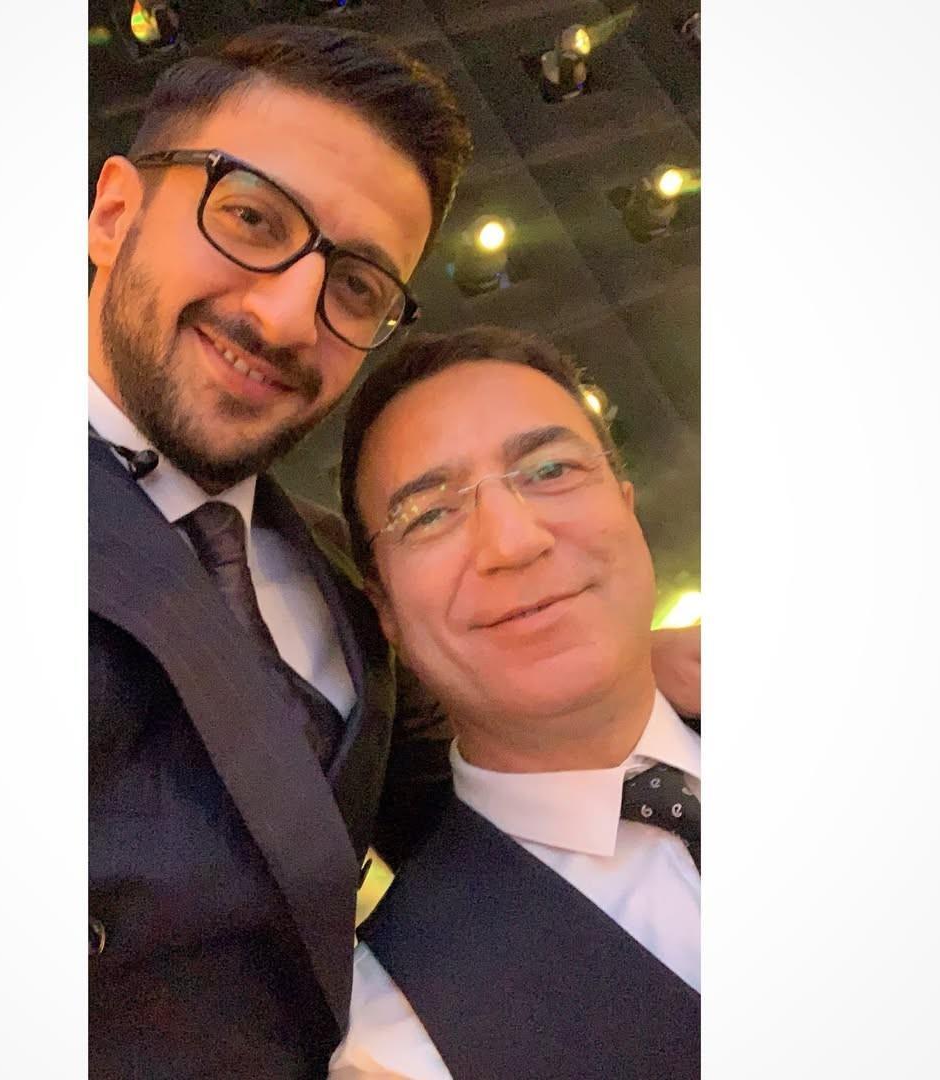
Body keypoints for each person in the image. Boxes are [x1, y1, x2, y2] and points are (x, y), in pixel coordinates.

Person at [87, 24, 699, 1080]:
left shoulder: (329, 575)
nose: (289, 315)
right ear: (112, 214)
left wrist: (622, 660)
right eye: (250, 217)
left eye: (358, 283)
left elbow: (494, 774)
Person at [329, 326, 701, 1080]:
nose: (514, 541)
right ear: (385, 611)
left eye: (551, 469)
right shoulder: (397, 1039)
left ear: (627, 507)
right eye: (428, 514)